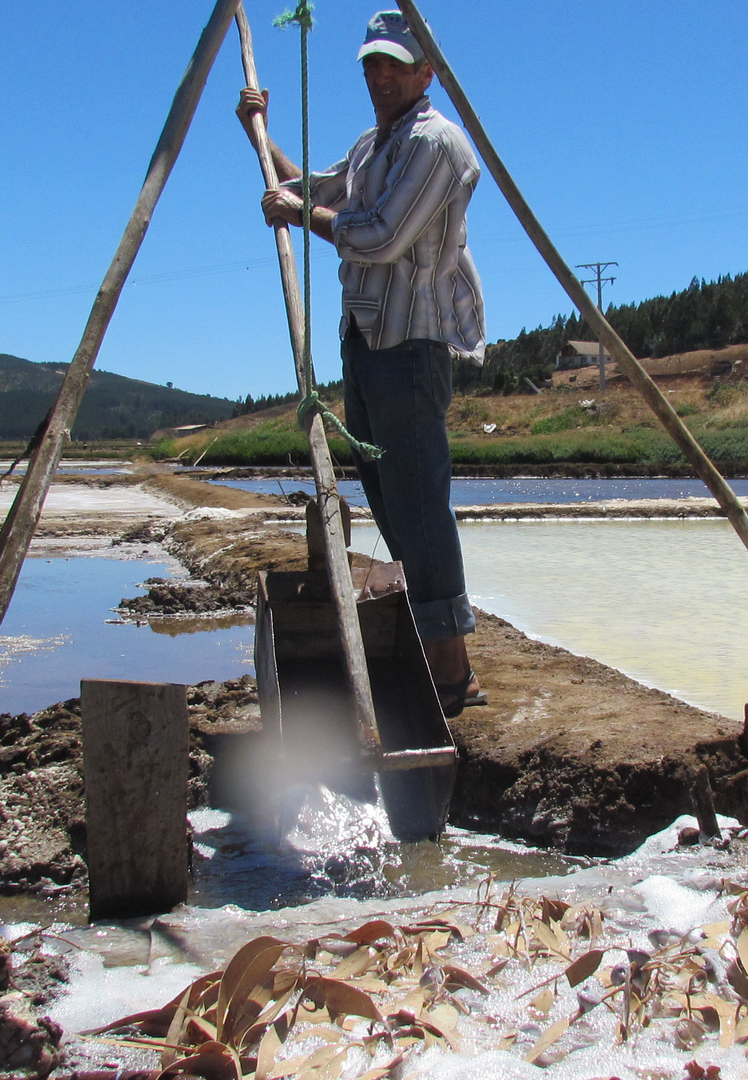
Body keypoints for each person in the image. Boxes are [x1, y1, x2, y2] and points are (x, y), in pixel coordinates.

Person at [236, 10, 487, 717]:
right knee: (391, 502)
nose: (379, 77)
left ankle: (452, 667)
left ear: (425, 73)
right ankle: (430, 642)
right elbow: (320, 190)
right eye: (370, 65)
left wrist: (292, 213)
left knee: (420, 506)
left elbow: (373, 237)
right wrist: (258, 134)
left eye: (393, 65)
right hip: (369, 341)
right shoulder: (378, 145)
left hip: (410, 346)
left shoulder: (436, 145)